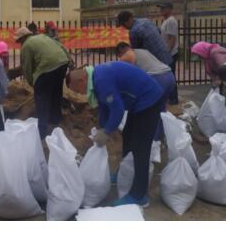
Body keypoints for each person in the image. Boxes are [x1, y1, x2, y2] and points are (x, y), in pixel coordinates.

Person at [66, 62, 163, 207]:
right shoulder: (96, 78)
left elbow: (117, 110)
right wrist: (103, 127)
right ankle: (123, 172)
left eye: (77, 90)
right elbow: (106, 107)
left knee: (140, 148)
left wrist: (106, 132)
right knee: (129, 137)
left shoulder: (101, 81)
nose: (79, 94)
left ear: (82, 80)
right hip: (138, 102)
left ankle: (139, 195)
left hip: (149, 100)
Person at [14, 27, 73, 138]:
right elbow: (61, 46)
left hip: (47, 68)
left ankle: (42, 130)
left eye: (19, 41)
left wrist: (33, 83)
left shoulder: (26, 45)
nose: (19, 44)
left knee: (42, 99)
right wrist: (69, 62)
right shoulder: (43, 36)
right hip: (62, 63)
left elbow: (27, 67)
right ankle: (56, 122)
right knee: (56, 93)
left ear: (22, 38)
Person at [115, 42, 176, 140]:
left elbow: (126, 75)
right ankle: (159, 139)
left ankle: (151, 140)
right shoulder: (143, 51)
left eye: (119, 55)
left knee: (150, 110)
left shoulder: (127, 55)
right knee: (160, 110)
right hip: (169, 76)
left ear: (121, 52)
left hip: (158, 79)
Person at [191, 41, 226, 116]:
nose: (199, 57)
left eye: (199, 54)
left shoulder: (215, 53)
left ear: (202, 50)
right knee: (223, 97)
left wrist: (219, 80)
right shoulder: (209, 57)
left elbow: (224, 68)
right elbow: (212, 72)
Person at [158, 3, 179, 104]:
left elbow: (172, 38)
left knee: (170, 77)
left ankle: (173, 99)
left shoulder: (171, 21)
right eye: (161, 8)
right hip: (167, 53)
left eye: (163, 8)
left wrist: (167, 54)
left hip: (170, 54)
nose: (161, 10)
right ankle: (170, 98)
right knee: (168, 76)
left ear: (170, 9)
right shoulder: (166, 21)